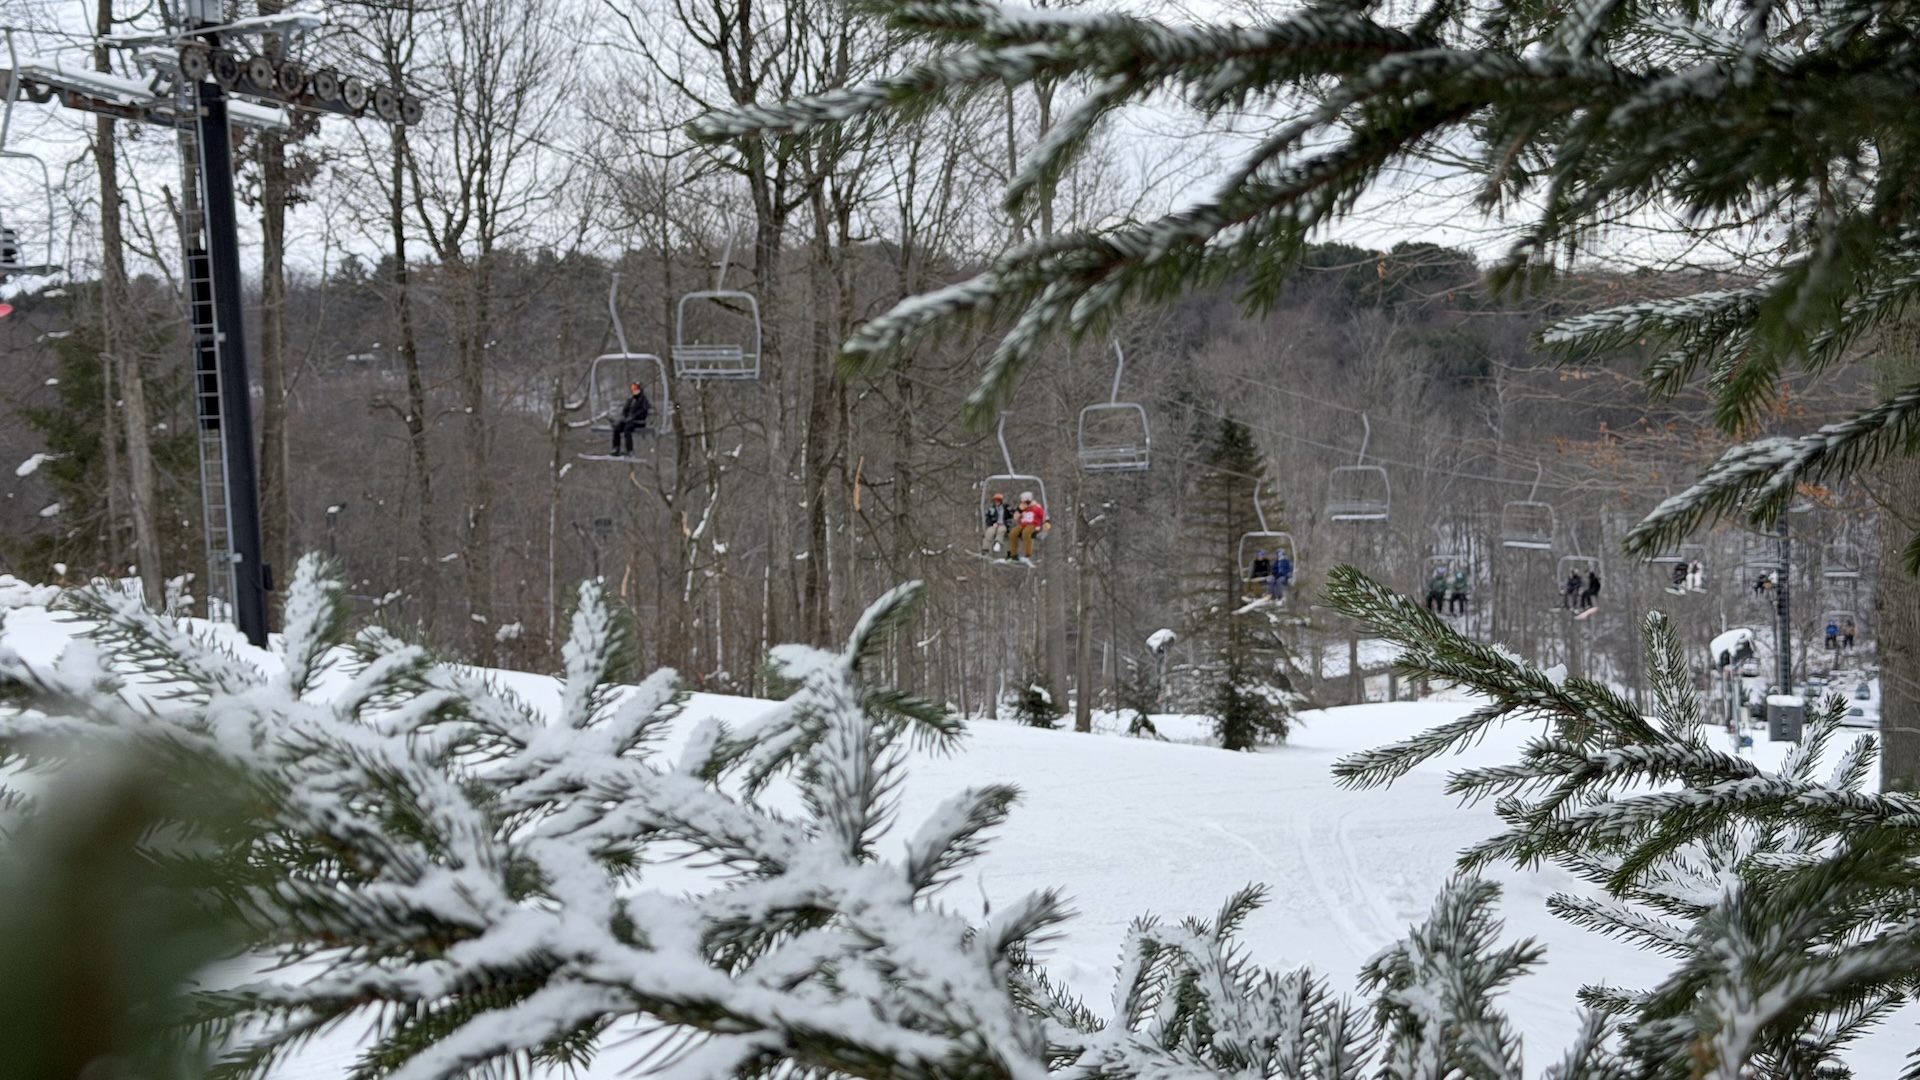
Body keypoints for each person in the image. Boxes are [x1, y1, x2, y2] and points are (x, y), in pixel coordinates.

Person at [610, 382, 650, 456]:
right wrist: (625, 416)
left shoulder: (643, 400)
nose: (634, 391)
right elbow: (625, 409)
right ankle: (616, 448)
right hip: (629, 421)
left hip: (638, 421)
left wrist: (633, 417)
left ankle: (630, 450)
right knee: (617, 428)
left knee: (627, 429)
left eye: (636, 389)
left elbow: (643, 411)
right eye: (633, 389)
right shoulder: (631, 400)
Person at [1009, 491, 1047, 560]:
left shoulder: (1036, 507)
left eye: (1026, 502)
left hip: (1034, 524)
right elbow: (1016, 517)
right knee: (1013, 533)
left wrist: (1045, 525)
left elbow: (1044, 516)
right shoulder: (1022, 508)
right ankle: (1014, 554)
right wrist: (1019, 511)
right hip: (1023, 524)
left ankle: (1028, 554)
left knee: (1026, 533)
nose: (1024, 504)